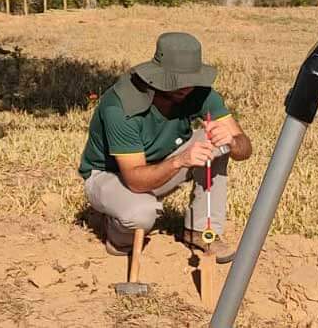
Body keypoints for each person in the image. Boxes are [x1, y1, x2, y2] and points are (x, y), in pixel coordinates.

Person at [79, 32, 252, 263]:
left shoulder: (200, 92)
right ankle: (114, 229)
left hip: (159, 167)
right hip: (112, 176)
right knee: (141, 213)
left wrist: (231, 141)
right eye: (176, 80)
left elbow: (245, 148)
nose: (185, 87)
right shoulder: (121, 106)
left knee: (216, 145)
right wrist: (180, 161)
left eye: (190, 79)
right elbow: (135, 180)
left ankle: (200, 230)